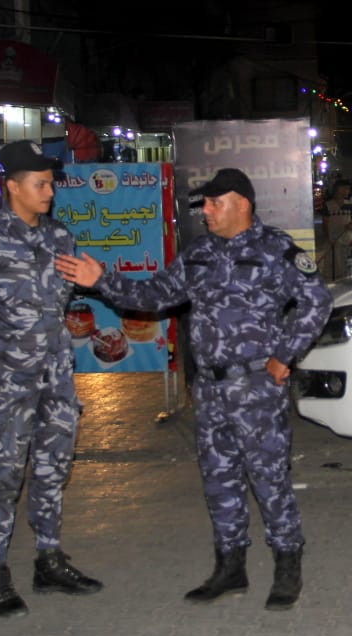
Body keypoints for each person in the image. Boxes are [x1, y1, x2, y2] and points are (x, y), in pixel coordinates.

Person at [55, 168, 332, 611]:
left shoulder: (275, 249)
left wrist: (286, 355)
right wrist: (101, 280)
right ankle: (230, 566)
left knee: (268, 478)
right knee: (219, 481)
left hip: (256, 389)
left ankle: (286, 565)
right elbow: (153, 296)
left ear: (240, 203)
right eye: (203, 204)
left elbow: (317, 299)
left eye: (212, 203)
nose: (205, 211)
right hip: (210, 390)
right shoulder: (198, 253)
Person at [0, 139, 103, 619]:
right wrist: (0, 353)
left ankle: (49, 559)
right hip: (6, 384)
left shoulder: (59, 237)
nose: (50, 191)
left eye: (51, 183)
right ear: (12, 186)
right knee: (5, 473)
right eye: (41, 183)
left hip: (56, 377)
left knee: (54, 467)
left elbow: (64, 303)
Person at [318, 178, 352, 280]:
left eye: (348, 189)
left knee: (346, 265)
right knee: (333, 265)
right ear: (338, 190)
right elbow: (325, 224)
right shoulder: (328, 205)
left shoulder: (350, 205)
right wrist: (328, 239)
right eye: (346, 189)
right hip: (333, 240)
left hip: (347, 239)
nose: (348, 191)